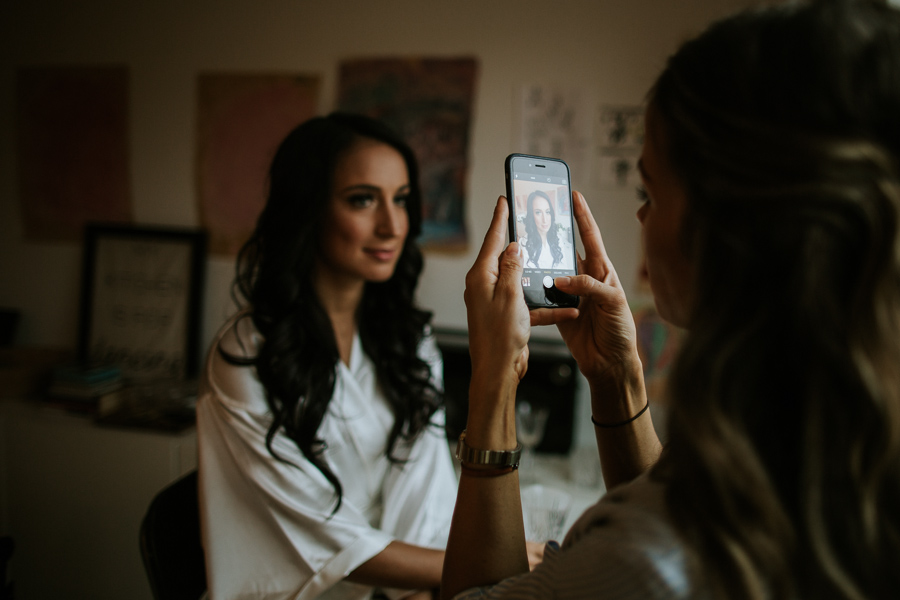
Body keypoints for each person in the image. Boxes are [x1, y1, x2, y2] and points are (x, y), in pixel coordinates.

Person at [441, 1, 900, 599]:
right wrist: (617, 378)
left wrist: (494, 381)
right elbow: (683, 497)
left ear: (728, 226)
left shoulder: (648, 560)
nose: (637, 217)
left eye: (648, 191)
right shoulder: (832, 452)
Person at [196, 112, 458, 600]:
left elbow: (428, 497)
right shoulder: (247, 353)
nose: (391, 225)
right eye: (363, 200)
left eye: (401, 200)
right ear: (308, 208)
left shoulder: (409, 342)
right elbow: (319, 536)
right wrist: (469, 567)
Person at [521, 190, 573, 270]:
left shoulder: (557, 239)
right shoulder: (523, 243)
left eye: (547, 212)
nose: (545, 219)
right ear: (531, 215)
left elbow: (564, 268)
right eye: (538, 212)